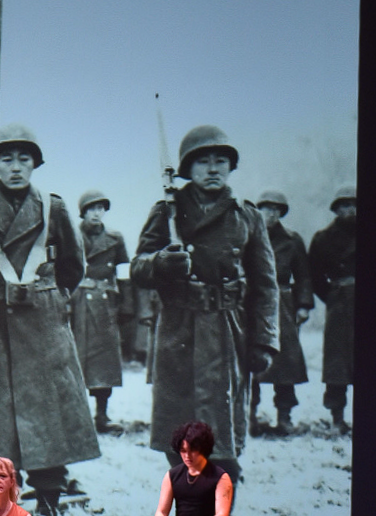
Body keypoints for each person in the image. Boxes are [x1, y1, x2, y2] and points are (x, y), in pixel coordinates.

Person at [0, 124, 100, 516]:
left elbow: (73, 265)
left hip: (43, 323)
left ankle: (49, 496)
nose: (15, 167)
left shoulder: (53, 206)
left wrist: (49, 297)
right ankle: (3, 497)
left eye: (23, 159)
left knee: (48, 410)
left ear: (35, 163)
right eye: (6, 159)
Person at [130, 125, 279, 495]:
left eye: (221, 161)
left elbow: (265, 284)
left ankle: (222, 515)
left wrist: (264, 341)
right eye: (203, 162)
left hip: (226, 330)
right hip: (178, 330)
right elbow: (138, 268)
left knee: (220, 428)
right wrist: (163, 263)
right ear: (188, 168)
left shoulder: (247, 217)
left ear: (231, 168)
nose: (213, 169)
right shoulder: (167, 211)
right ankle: (186, 506)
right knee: (177, 424)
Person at [250, 191, 313, 436]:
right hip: (253, 302)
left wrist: (304, 305)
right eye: (266, 208)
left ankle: (284, 417)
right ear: (258, 211)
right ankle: (250, 415)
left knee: (285, 363)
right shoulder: (248, 236)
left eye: (277, 209)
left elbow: (304, 275)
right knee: (251, 361)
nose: (271, 213)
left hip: (283, 304)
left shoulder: (292, 240)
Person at [72, 191, 129, 434]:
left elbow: (123, 273)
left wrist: (126, 307)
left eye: (100, 208)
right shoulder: (71, 238)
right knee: (76, 360)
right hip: (78, 304)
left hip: (106, 306)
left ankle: (102, 416)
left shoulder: (115, 238)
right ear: (83, 212)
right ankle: (77, 416)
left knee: (104, 363)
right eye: (91, 209)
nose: (96, 213)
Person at [309, 186, 356, 434]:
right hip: (338, 306)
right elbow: (315, 275)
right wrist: (333, 296)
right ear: (336, 209)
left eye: (355, 205)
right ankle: (337, 417)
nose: (350, 210)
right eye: (345, 205)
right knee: (337, 363)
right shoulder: (323, 239)